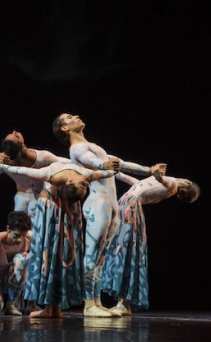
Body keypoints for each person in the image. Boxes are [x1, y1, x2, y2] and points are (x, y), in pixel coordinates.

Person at [52, 113, 166, 317]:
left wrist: (149, 170)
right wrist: (102, 166)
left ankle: (96, 303)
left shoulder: (94, 146)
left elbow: (121, 163)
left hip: (110, 205)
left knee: (101, 258)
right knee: (92, 254)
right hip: (98, 204)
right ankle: (89, 305)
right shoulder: (77, 148)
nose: (76, 116)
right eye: (70, 117)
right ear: (65, 129)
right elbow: (90, 160)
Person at [0, 154, 117, 318]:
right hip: (51, 212)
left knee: (64, 256)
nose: (87, 185)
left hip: (69, 212)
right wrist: (1, 165)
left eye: (84, 186)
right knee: (50, 256)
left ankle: (56, 308)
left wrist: (109, 167)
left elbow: (105, 173)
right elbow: (21, 169)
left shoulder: (83, 176)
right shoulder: (50, 173)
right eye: (84, 186)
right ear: (70, 182)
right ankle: (48, 308)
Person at [102, 171, 200, 315]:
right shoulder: (165, 188)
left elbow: (165, 181)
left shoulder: (172, 183)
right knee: (124, 249)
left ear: (185, 183)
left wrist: (159, 175)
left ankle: (124, 303)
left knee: (124, 249)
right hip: (127, 207)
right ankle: (123, 302)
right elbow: (137, 183)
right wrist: (116, 173)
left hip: (129, 208)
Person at [0, 130, 69, 220]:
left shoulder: (41, 157)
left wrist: (81, 163)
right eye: (15, 135)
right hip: (22, 195)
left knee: (35, 221)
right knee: (18, 226)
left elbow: (61, 161)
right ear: (22, 146)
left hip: (40, 196)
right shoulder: (5, 164)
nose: (15, 131)